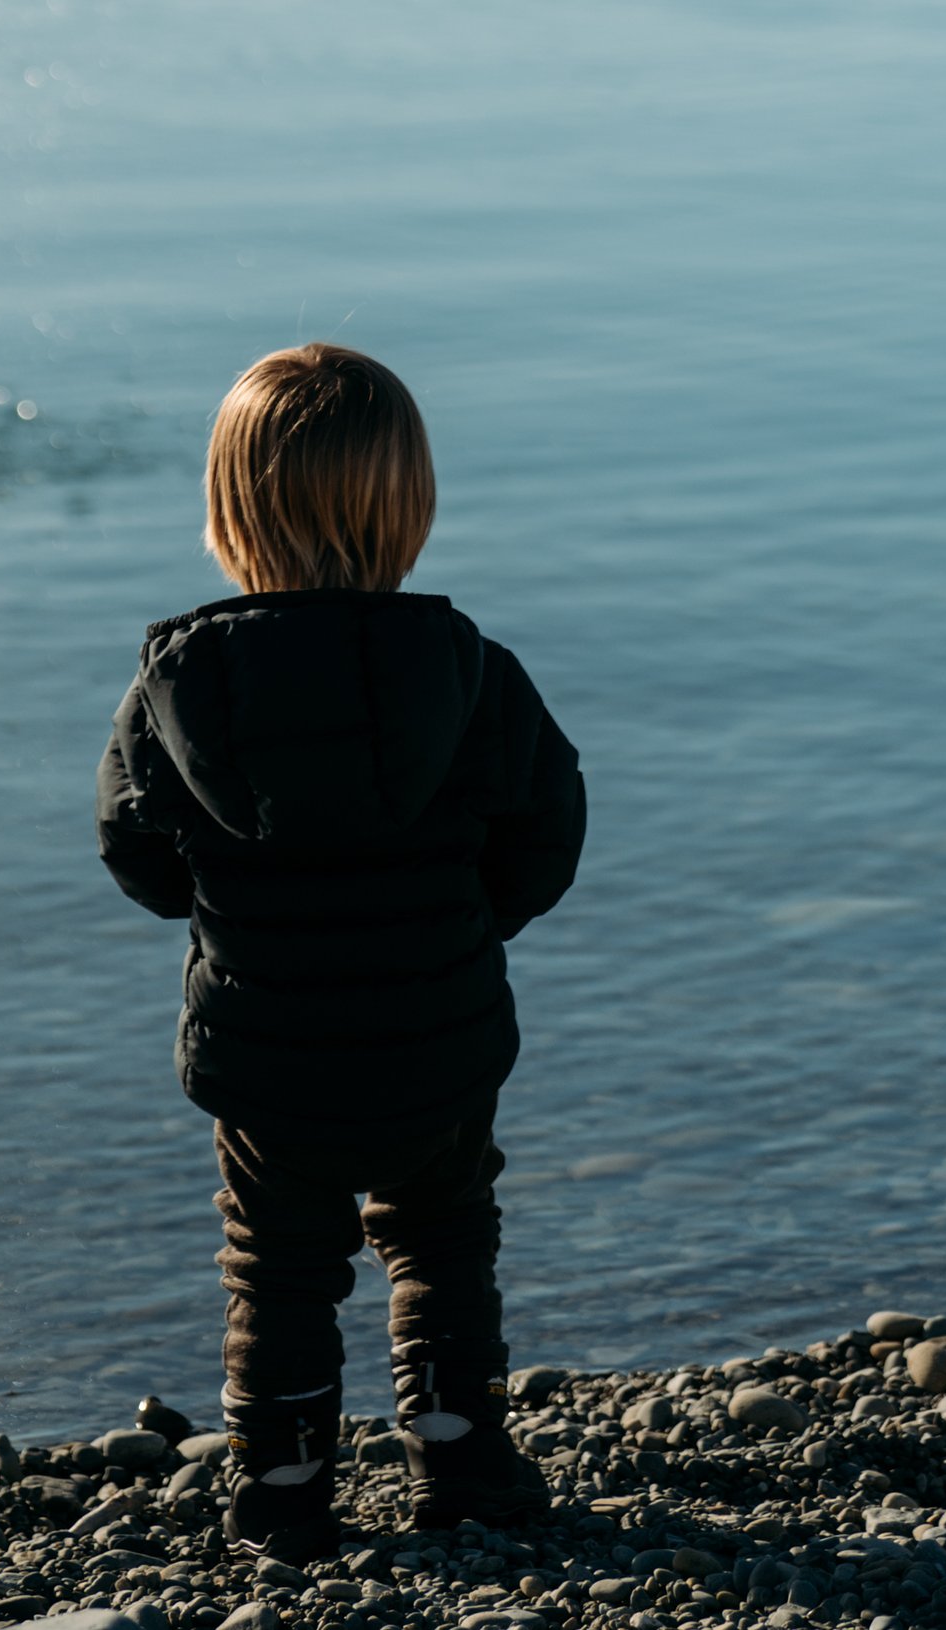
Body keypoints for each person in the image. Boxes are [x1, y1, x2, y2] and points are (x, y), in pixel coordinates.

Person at [95, 343, 587, 1565]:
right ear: (408, 507)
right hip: (439, 1035)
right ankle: (462, 1455)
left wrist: (221, 909)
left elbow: (135, 851)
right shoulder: (471, 672)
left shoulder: (179, 685)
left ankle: (283, 1482)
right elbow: (549, 828)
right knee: (440, 1239)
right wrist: (467, 925)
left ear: (227, 513)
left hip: (270, 1051)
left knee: (277, 1263)